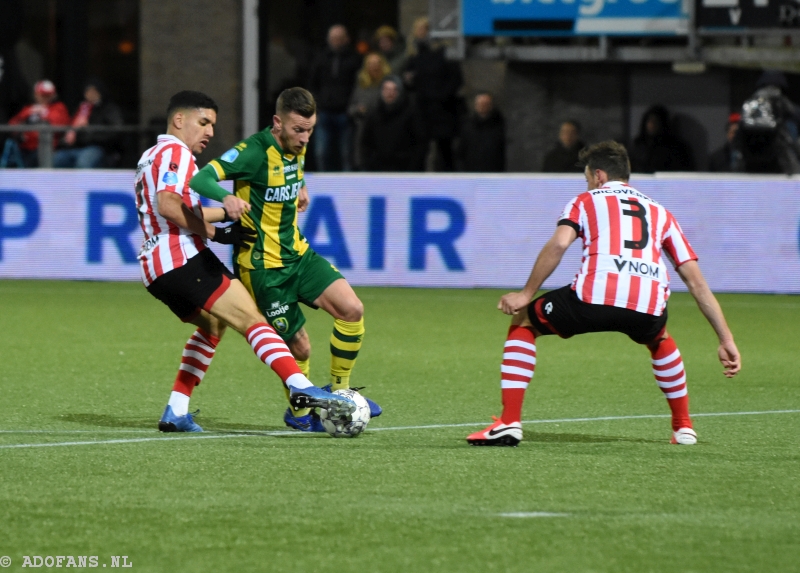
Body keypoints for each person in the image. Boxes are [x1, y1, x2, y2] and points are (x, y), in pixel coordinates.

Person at [467, 141, 740, 447]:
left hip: (592, 299)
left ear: (598, 176)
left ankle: (509, 422)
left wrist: (526, 292)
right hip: (647, 305)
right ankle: (683, 427)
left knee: (524, 321)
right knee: (660, 338)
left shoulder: (585, 200)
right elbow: (696, 283)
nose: (587, 183)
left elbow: (559, 245)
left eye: (586, 177)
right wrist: (725, 339)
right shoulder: (661, 213)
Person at [136, 90, 355, 433]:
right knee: (253, 320)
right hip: (182, 259)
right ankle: (300, 386)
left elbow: (170, 209)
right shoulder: (175, 151)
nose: (209, 131)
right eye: (203, 122)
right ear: (179, 120)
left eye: (212, 124)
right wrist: (214, 232)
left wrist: (223, 216)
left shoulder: (151, 156)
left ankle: (176, 409)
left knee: (212, 327)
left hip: (154, 269)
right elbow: (168, 206)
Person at [190, 87, 381, 433]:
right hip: (263, 269)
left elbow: (293, 168)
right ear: (277, 123)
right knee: (301, 346)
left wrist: (301, 185)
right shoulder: (253, 152)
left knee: (352, 309)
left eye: (310, 130)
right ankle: (299, 413)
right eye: (298, 130)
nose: (305, 138)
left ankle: (341, 393)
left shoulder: (297, 147)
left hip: (298, 254)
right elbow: (201, 178)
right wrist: (225, 198)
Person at [402, 17, 463, 172]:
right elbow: (409, 81)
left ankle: (450, 182)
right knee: (420, 149)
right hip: (423, 109)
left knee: (445, 150)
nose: (420, 33)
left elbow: (456, 79)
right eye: (418, 30)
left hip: (443, 108)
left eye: (424, 30)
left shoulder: (445, 52)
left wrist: (442, 95)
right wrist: (408, 81)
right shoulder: (414, 56)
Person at [307, 24, 362, 171]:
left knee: (346, 154)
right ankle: (324, 185)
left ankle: (347, 188)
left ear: (346, 39)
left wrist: (353, 106)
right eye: (333, 38)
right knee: (322, 153)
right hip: (324, 111)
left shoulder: (355, 60)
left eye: (339, 38)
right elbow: (313, 85)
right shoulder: (321, 59)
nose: (336, 41)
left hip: (345, 112)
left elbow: (358, 86)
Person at [736, 70, 800, 175]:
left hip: (776, 159)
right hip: (753, 157)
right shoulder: (752, 106)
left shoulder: (783, 105)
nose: (770, 92)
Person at [361, 76, 426, 172]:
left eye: (394, 90)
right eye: (386, 89)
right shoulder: (373, 114)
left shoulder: (411, 113)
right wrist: (369, 164)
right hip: (378, 169)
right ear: (381, 91)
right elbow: (366, 142)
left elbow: (420, 142)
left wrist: (413, 167)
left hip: (405, 170)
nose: (390, 93)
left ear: (400, 92)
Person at [54, 78, 123, 168]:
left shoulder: (109, 109)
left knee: (83, 162)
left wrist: (90, 132)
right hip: (74, 147)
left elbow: (116, 130)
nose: (90, 94)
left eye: (94, 91)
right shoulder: (81, 108)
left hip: (97, 147)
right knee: (57, 160)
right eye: (88, 91)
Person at [7, 80, 70, 167]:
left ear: (53, 95)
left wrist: (42, 114)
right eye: (42, 94)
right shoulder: (28, 109)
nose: (45, 97)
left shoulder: (58, 107)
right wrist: (19, 132)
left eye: (48, 95)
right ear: (36, 94)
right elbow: (12, 123)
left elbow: (57, 124)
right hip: (23, 148)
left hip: (46, 150)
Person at [348, 52, 391, 170]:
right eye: (371, 64)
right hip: (363, 129)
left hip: (384, 130)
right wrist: (358, 110)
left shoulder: (388, 85)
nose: (374, 67)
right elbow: (350, 109)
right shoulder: (361, 86)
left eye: (377, 64)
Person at [629, 105, 695, 173]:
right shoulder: (638, 146)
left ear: (663, 124)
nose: (651, 125)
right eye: (649, 121)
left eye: (655, 121)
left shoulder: (676, 149)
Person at [456, 92, 506, 172]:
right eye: (480, 104)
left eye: (486, 104)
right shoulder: (467, 127)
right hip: (471, 172)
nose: (483, 107)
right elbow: (461, 152)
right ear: (475, 105)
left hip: (494, 172)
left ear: (491, 106)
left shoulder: (499, 126)